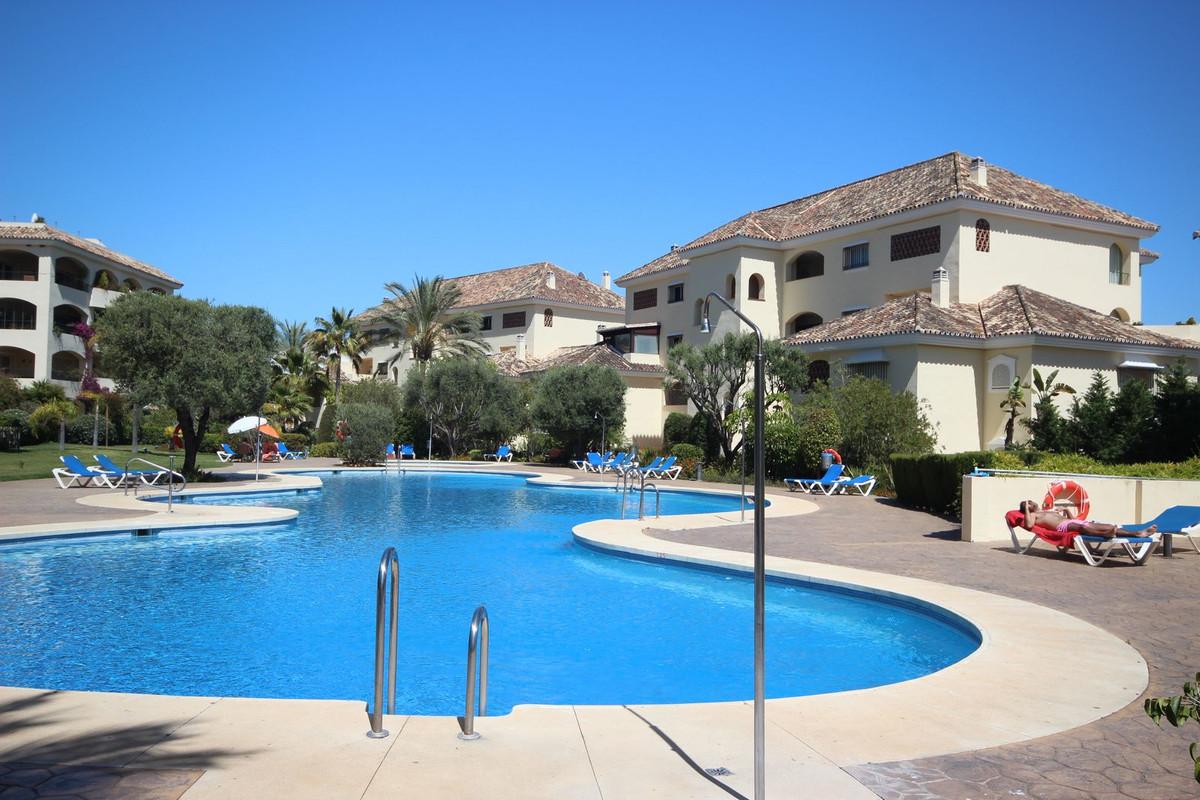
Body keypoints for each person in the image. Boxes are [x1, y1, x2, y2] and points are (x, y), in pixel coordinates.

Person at [1018, 499, 1154, 539]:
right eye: (1028, 503)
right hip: (1063, 527)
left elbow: (1074, 519)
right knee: (1083, 528)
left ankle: (1137, 533)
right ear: (1027, 508)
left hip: (1072, 522)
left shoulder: (1046, 511)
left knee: (1111, 527)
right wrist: (1026, 510)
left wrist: (1066, 510)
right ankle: (1106, 534)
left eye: (1030, 500)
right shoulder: (1034, 515)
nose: (1032, 502)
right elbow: (1029, 526)